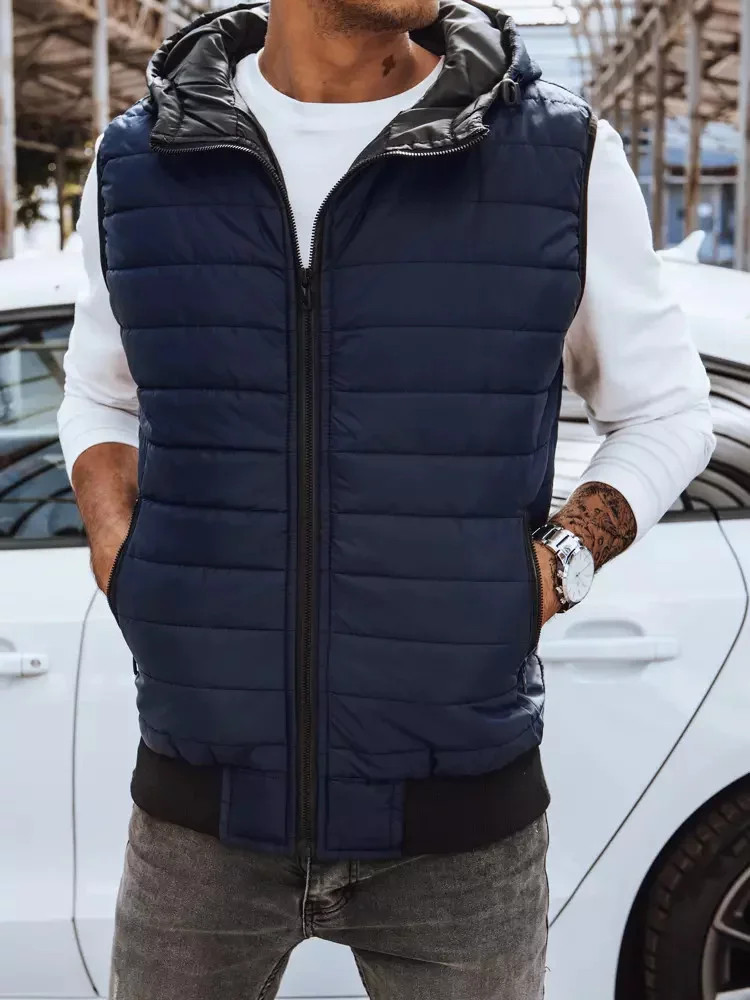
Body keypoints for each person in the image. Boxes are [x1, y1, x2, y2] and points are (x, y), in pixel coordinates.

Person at [58, 0, 714, 997]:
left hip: (462, 825)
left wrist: (551, 571)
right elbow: (100, 391)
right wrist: (122, 554)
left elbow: (667, 410)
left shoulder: (557, 153)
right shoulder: (140, 162)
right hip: (199, 814)